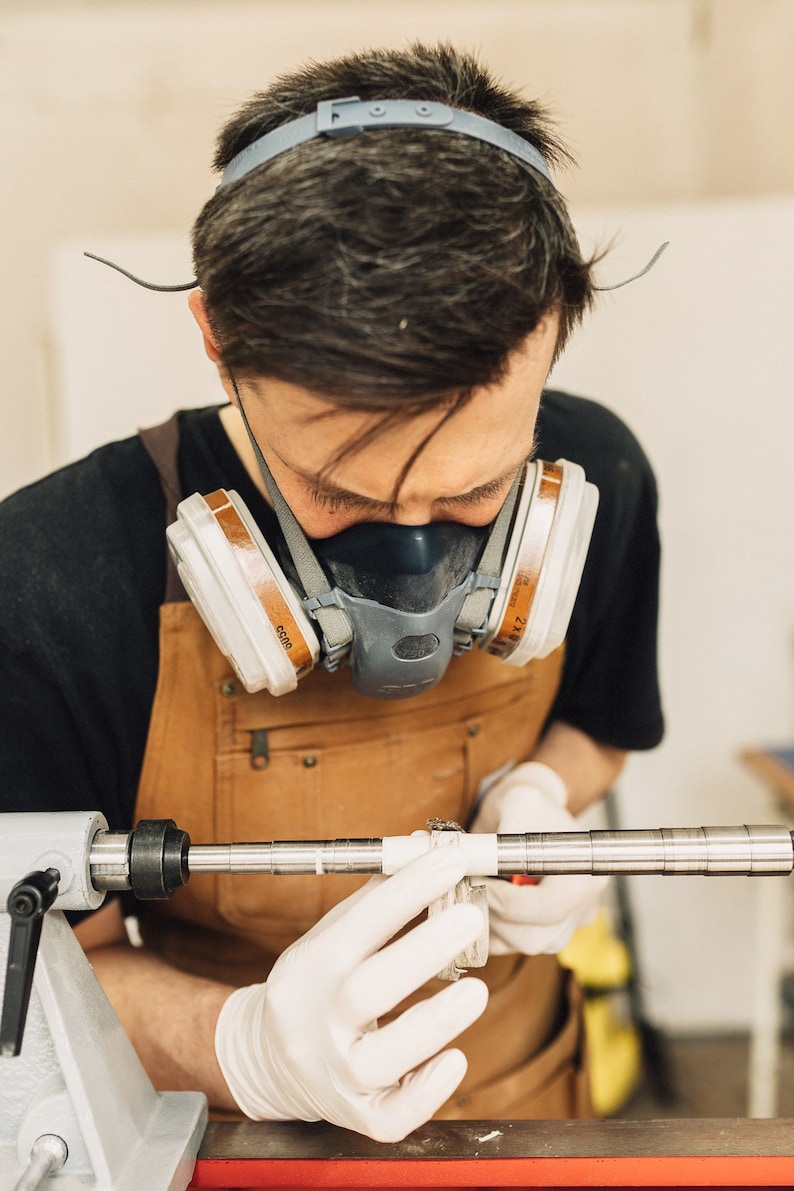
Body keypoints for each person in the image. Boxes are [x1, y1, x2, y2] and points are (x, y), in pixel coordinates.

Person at [0, 43, 663, 1141]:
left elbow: (599, 727)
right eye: (338, 492)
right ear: (217, 340)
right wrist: (246, 1048)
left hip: (535, 1113)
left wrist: (536, 801)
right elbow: (58, 963)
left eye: (473, 495)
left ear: (550, 333)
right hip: (220, 1132)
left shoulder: (598, 478)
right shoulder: (51, 582)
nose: (412, 559)